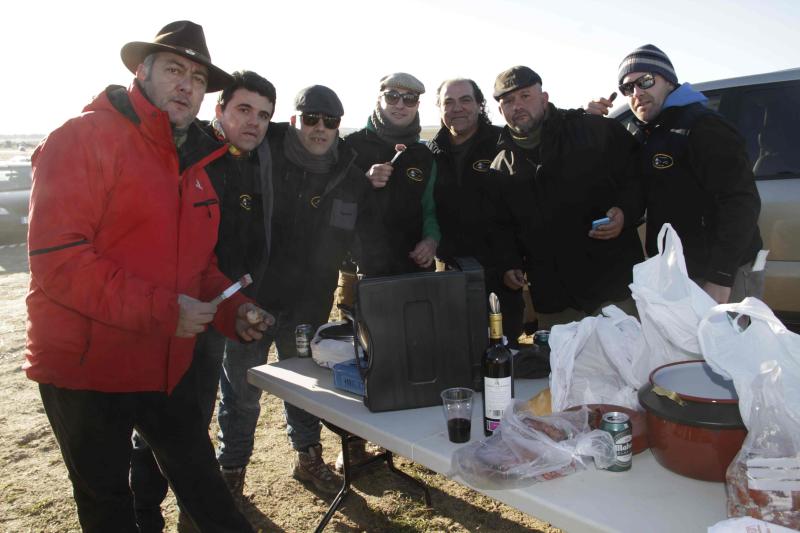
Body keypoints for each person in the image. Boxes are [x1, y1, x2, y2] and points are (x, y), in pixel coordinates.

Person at [25, 21, 272, 533]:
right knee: (109, 505)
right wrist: (165, 310)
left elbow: (197, 266)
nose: (187, 85)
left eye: (199, 79)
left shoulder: (193, 159)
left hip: (164, 361)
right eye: (175, 70)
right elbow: (60, 261)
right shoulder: (82, 138)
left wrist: (231, 309)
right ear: (142, 71)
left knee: (207, 491)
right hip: (86, 367)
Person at [129, 69, 277, 531]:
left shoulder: (258, 159)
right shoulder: (189, 154)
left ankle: (192, 509)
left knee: (198, 417)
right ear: (219, 109)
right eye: (243, 110)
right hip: (180, 313)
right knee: (163, 424)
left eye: (264, 115)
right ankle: (145, 514)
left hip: (229, 306)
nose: (254, 122)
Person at [217, 85, 369, 495]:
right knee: (240, 394)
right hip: (253, 304)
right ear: (295, 118)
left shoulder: (351, 177)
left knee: (304, 391)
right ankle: (231, 471)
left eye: (330, 121)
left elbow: (365, 237)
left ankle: (309, 458)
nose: (320, 128)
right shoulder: (261, 154)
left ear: (339, 126)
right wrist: (235, 297)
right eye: (311, 118)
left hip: (308, 307)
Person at [586, 45, 763, 304]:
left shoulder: (704, 127)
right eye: (628, 88)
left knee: (725, 344)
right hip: (677, 272)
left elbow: (741, 203)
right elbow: (645, 190)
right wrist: (624, 213)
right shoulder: (651, 133)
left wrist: (721, 277)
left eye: (645, 81)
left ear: (668, 80)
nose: (637, 92)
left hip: (722, 273)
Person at [489, 66, 644, 330]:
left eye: (525, 96)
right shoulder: (501, 167)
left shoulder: (593, 130)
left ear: (544, 97)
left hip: (613, 290)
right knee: (564, 369)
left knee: (628, 365)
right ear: (501, 110)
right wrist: (509, 263)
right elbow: (502, 226)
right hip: (555, 302)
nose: (517, 106)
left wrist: (625, 212)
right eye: (508, 101)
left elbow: (638, 177)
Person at [428, 78, 524, 345]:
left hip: (499, 276)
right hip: (449, 278)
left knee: (502, 356)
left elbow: (519, 211)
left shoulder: (503, 144)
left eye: (465, 100)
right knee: (453, 352)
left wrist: (512, 262)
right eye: (449, 102)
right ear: (440, 108)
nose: (457, 108)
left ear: (480, 104)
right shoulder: (431, 154)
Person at [346, 73, 440, 276]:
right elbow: (331, 205)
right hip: (361, 271)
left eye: (409, 99)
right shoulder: (351, 146)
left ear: (417, 105)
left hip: (414, 270)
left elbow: (430, 210)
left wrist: (431, 240)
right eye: (392, 96)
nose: (400, 105)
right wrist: (363, 182)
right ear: (379, 99)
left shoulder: (424, 155)